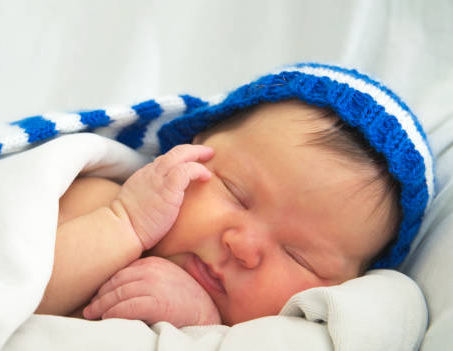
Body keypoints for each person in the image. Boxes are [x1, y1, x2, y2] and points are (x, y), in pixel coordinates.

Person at [34, 64, 433, 328]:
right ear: (191, 148)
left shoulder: (266, 342)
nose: (242, 247)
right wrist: (125, 223)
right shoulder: (100, 202)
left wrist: (202, 326)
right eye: (236, 194)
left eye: (299, 256)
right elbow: (4, 288)